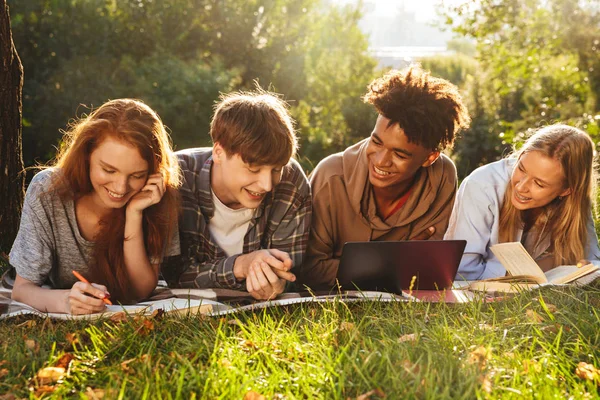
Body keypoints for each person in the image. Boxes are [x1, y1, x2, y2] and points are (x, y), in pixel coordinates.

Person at [298, 65, 471, 288]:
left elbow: (430, 270)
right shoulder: (331, 176)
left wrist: (352, 265)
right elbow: (309, 271)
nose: (380, 161)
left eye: (399, 154)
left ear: (430, 158)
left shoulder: (441, 176)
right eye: (376, 142)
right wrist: (397, 261)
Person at [10, 99, 181, 314]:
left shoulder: (155, 196)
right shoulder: (47, 191)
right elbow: (22, 289)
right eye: (109, 170)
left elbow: (141, 290)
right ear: (86, 155)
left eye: (137, 175)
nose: (120, 188)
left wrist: (134, 215)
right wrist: (65, 301)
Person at [162, 89, 312, 300]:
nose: (267, 185)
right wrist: (240, 266)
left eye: (276, 169)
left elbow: (292, 273)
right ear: (219, 153)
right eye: (253, 169)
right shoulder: (176, 178)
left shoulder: (291, 181)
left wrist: (276, 282)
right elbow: (170, 275)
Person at [445, 124, 600, 280]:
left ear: (566, 190)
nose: (521, 187)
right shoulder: (481, 186)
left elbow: (592, 262)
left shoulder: (574, 202)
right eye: (521, 168)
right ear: (520, 156)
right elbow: (462, 270)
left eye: (539, 184)